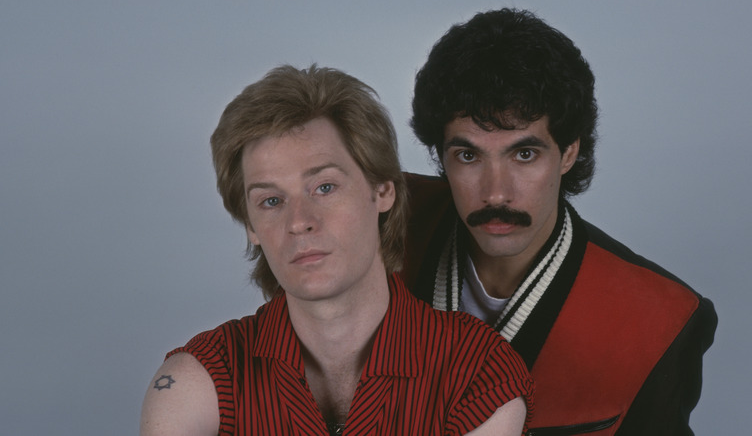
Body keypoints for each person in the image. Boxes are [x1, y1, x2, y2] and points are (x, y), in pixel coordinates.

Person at [140, 65, 534, 436]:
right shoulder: (197, 381)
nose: (299, 221)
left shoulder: (479, 375)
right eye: (271, 201)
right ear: (251, 227)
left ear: (382, 191)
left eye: (324, 187)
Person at [403, 8, 717, 435]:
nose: (496, 193)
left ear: (569, 151)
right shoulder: (377, 222)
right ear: (440, 154)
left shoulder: (663, 320)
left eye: (525, 154)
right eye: (468, 155)